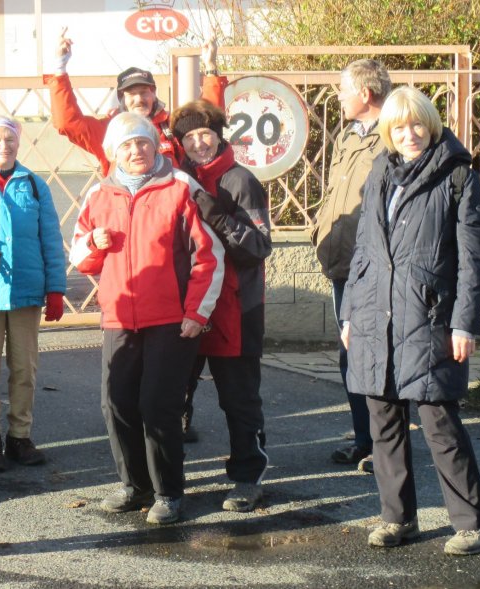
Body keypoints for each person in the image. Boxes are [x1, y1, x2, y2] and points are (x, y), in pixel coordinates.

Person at [340, 86, 480, 556]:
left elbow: (475, 258)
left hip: (428, 319)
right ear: (388, 130)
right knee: (383, 423)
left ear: (430, 124)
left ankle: (474, 525)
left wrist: (464, 323)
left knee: (439, 425)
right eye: (399, 127)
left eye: (417, 124)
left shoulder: (458, 177)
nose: (409, 134)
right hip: (373, 317)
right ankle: (397, 518)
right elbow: (364, 250)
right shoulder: (380, 171)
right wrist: (349, 310)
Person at [69, 112, 224, 525]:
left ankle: (168, 492)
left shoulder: (180, 188)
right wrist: (93, 244)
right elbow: (80, 257)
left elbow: (208, 257)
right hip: (120, 318)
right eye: (126, 145)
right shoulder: (99, 194)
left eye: (142, 143)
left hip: (171, 321)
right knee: (115, 403)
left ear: (156, 146)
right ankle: (134, 485)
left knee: (158, 405)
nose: (136, 151)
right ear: (113, 153)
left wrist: (196, 313)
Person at [169, 100, 272, 512]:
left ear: (219, 134)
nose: (198, 143)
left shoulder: (240, 180)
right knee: (175, 396)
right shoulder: (176, 179)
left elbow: (259, 247)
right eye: (189, 137)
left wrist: (219, 218)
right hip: (190, 307)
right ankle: (170, 479)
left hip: (236, 310)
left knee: (239, 400)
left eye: (205, 134)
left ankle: (248, 477)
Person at [0, 116, 67, 472]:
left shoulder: (34, 185)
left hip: (26, 289)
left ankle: (20, 435)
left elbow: (51, 239)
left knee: (25, 368)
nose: (3, 146)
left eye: (9, 139)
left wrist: (56, 287)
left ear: (18, 142)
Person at [310, 59, 391, 475]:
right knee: (352, 356)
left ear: (365, 93)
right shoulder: (349, 134)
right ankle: (364, 442)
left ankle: (384, 448)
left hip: (375, 265)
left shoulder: (394, 134)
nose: (338, 96)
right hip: (344, 263)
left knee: (374, 356)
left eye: (343, 89)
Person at [48, 27, 228, 175]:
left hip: (173, 210)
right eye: (131, 94)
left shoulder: (172, 126)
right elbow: (68, 123)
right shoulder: (108, 131)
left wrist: (211, 68)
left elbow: (208, 119)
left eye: (144, 92)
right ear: (122, 99)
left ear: (154, 94)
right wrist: (59, 68)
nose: (139, 99)